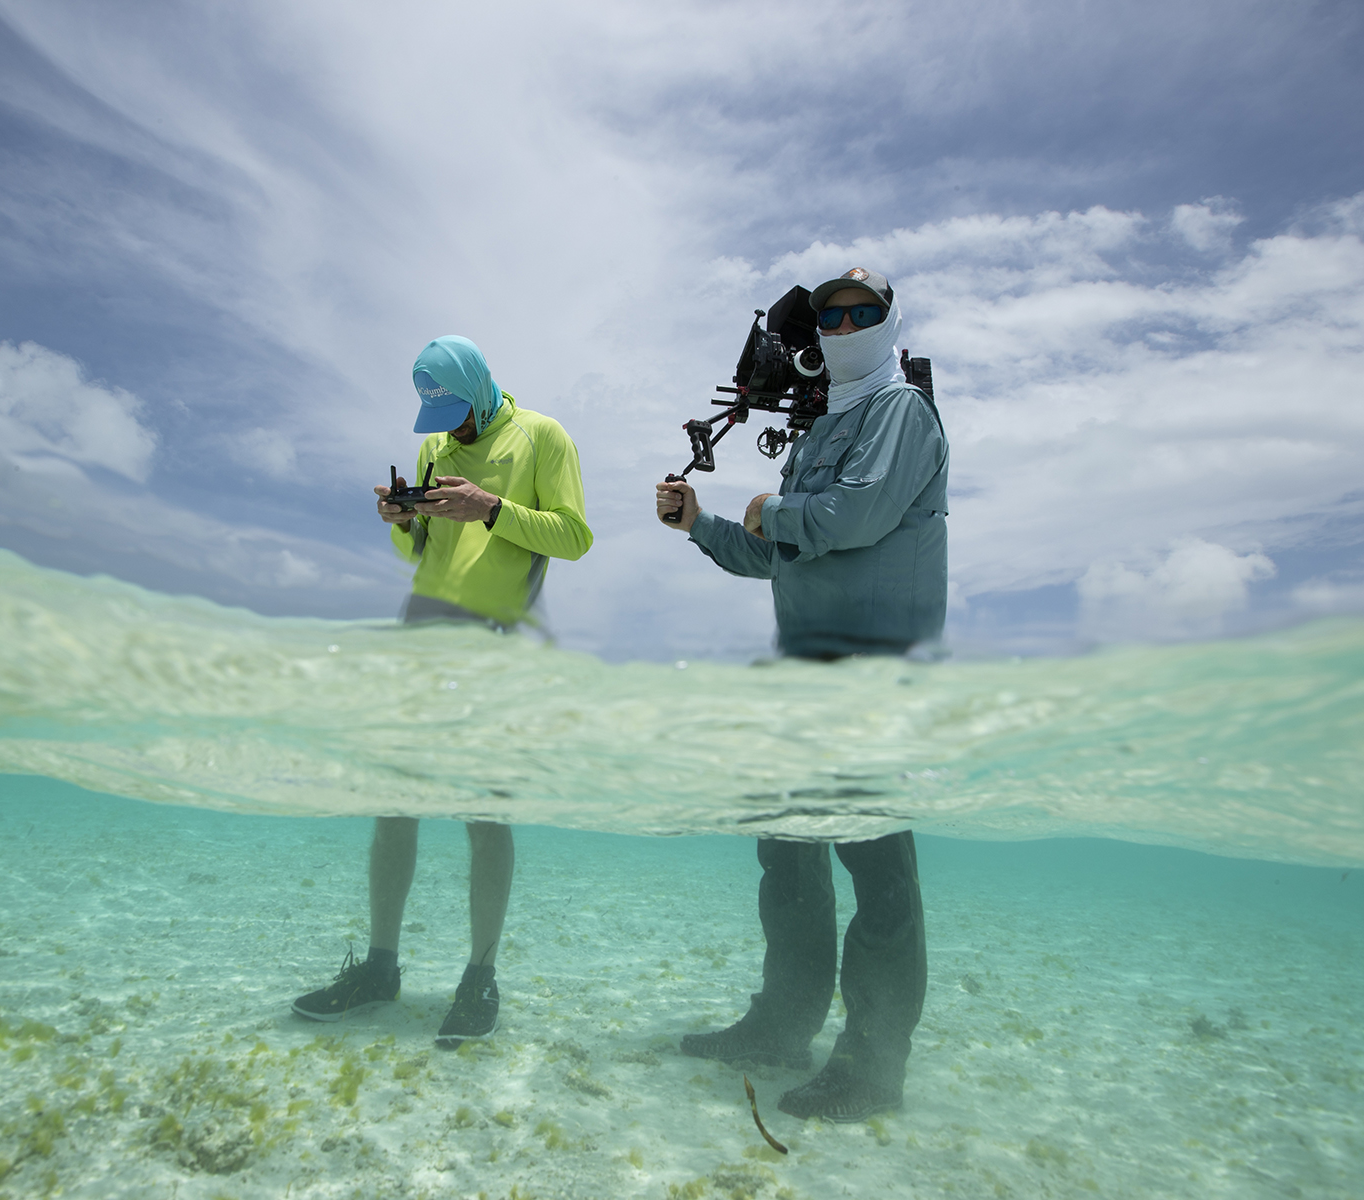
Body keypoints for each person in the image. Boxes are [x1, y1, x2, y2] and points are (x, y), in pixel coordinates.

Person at [654, 267, 948, 1121]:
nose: (845, 323)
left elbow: (847, 519)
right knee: (786, 849)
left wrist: (769, 514)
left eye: (864, 312)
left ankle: (872, 1064)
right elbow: (776, 550)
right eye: (831, 314)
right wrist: (702, 523)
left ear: (890, 322)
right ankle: (781, 1024)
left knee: (874, 866)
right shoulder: (828, 424)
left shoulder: (900, 412)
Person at [292, 334, 592, 1049]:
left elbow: (575, 538)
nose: (451, 430)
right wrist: (402, 523)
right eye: (440, 418)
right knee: (393, 804)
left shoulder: (544, 436)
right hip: (420, 633)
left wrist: (492, 508)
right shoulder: (434, 451)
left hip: (496, 639)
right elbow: (422, 551)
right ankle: (380, 967)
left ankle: (479, 976)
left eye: (459, 413)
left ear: (481, 388)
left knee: (484, 812)